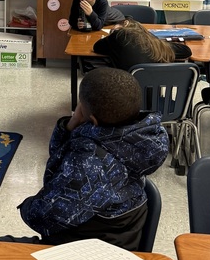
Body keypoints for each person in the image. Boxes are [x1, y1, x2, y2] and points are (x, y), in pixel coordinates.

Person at [18, 68, 169, 249]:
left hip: (83, 254)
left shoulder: (89, 162)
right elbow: (60, 155)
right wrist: (69, 127)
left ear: (93, 120)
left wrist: (27, 206)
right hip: (117, 242)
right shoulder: (140, 138)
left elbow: (44, 217)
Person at [92, 16, 192, 68]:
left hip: (126, 98)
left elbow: (97, 47)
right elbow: (187, 51)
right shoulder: (155, 44)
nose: (113, 31)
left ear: (126, 23)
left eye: (114, 29)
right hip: (152, 100)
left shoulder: (120, 34)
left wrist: (112, 35)